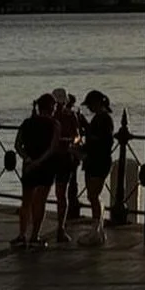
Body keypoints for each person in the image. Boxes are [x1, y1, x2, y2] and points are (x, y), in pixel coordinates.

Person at [12, 95, 58, 251]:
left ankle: (21, 235)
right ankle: (34, 236)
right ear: (51, 107)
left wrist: (28, 159)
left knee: (26, 202)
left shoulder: (27, 123)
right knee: (40, 202)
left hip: (28, 166)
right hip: (46, 166)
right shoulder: (54, 124)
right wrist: (39, 161)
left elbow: (17, 145)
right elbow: (52, 148)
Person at [77, 90, 116, 247]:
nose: (89, 108)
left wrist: (86, 128)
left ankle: (96, 229)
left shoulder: (104, 119)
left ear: (97, 103)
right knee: (93, 195)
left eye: (90, 105)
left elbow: (102, 141)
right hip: (95, 160)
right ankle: (97, 228)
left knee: (93, 195)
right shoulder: (100, 118)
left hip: (98, 161)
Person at [49, 89, 82, 243]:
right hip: (55, 156)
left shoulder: (69, 116)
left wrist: (70, 141)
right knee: (56, 193)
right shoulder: (52, 117)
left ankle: (61, 227)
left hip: (62, 157)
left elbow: (77, 136)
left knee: (61, 193)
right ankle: (60, 228)